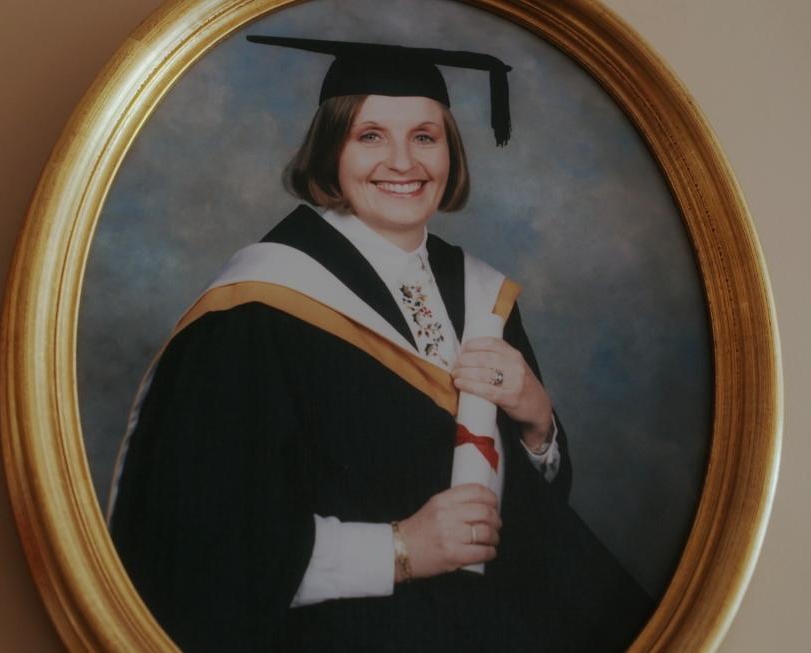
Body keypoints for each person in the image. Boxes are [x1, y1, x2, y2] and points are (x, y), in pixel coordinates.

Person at [108, 36, 652, 652]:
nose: (403, 162)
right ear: (330, 151)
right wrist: (399, 549)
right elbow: (197, 543)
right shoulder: (257, 309)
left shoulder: (481, 293)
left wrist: (538, 425)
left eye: (425, 136)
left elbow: (526, 513)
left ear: (450, 154)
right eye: (370, 136)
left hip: (496, 618)